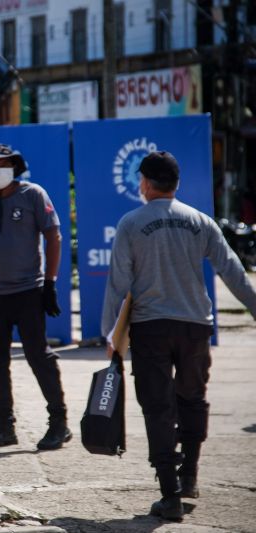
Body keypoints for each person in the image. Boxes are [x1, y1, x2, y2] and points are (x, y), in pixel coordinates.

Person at [101, 151, 256, 521]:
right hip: (196, 327)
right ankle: (189, 477)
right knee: (193, 399)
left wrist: (109, 333)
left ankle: (169, 493)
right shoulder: (200, 221)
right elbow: (232, 270)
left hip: (151, 328)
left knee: (157, 407)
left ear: (145, 183)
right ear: (176, 184)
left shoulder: (131, 223)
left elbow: (118, 281)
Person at [0, 143, 70, 451]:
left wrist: (50, 283)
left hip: (28, 291)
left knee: (38, 356)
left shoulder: (33, 194)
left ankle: (59, 422)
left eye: (4, 165)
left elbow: (53, 235)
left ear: (15, 166)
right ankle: (4, 426)